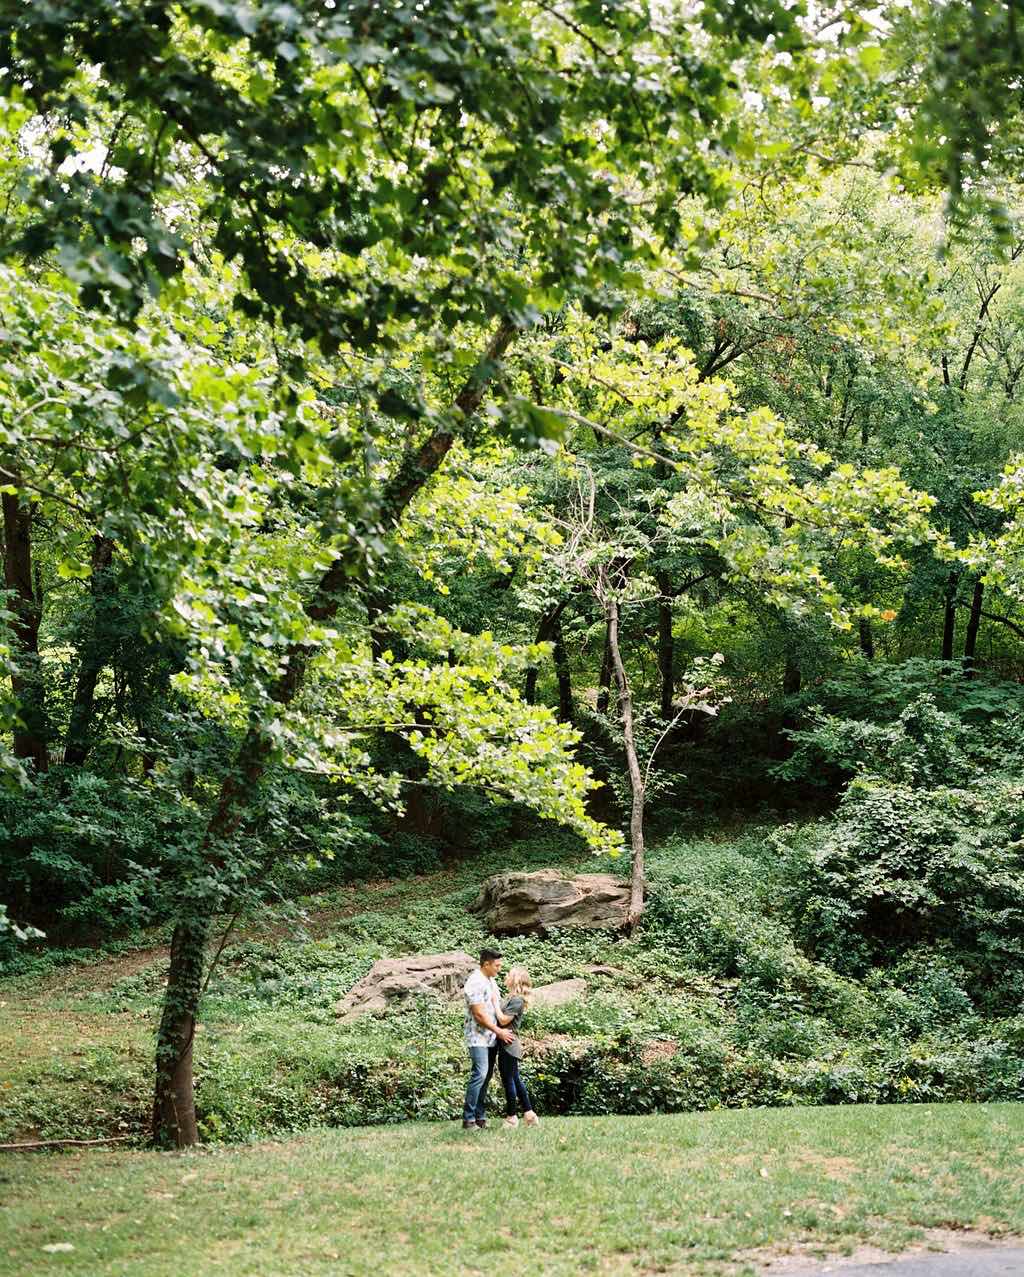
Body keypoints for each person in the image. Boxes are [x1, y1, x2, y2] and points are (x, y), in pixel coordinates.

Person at [462, 947, 513, 1131]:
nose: (500, 969)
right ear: (486, 964)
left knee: (486, 1077)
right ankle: (468, 1120)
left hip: (490, 1036)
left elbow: (495, 1007)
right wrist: (499, 1031)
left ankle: (480, 1117)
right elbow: (479, 1015)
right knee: (480, 1074)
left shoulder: (490, 980)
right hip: (478, 1037)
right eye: (497, 965)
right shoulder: (475, 982)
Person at [495, 965, 539, 1129]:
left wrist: (493, 1003)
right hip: (506, 1043)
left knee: (509, 1081)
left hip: (509, 1044)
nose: (505, 976)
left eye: (508, 975)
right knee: (515, 1079)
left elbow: (504, 1021)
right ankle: (529, 1115)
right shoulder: (511, 998)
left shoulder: (517, 1000)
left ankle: (512, 1117)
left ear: (515, 979)